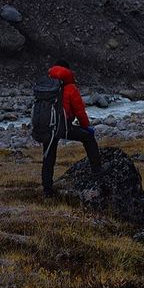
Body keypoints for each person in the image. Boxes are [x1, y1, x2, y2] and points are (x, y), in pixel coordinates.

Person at [42, 60, 102, 198]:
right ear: (67, 71)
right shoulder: (70, 88)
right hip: (64, 127)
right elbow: (80, 112)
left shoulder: (46, 86)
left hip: (48, 126)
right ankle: (98, 173)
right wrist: (86, 127)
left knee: (48, 156)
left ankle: (47, 190)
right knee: (89, 138)